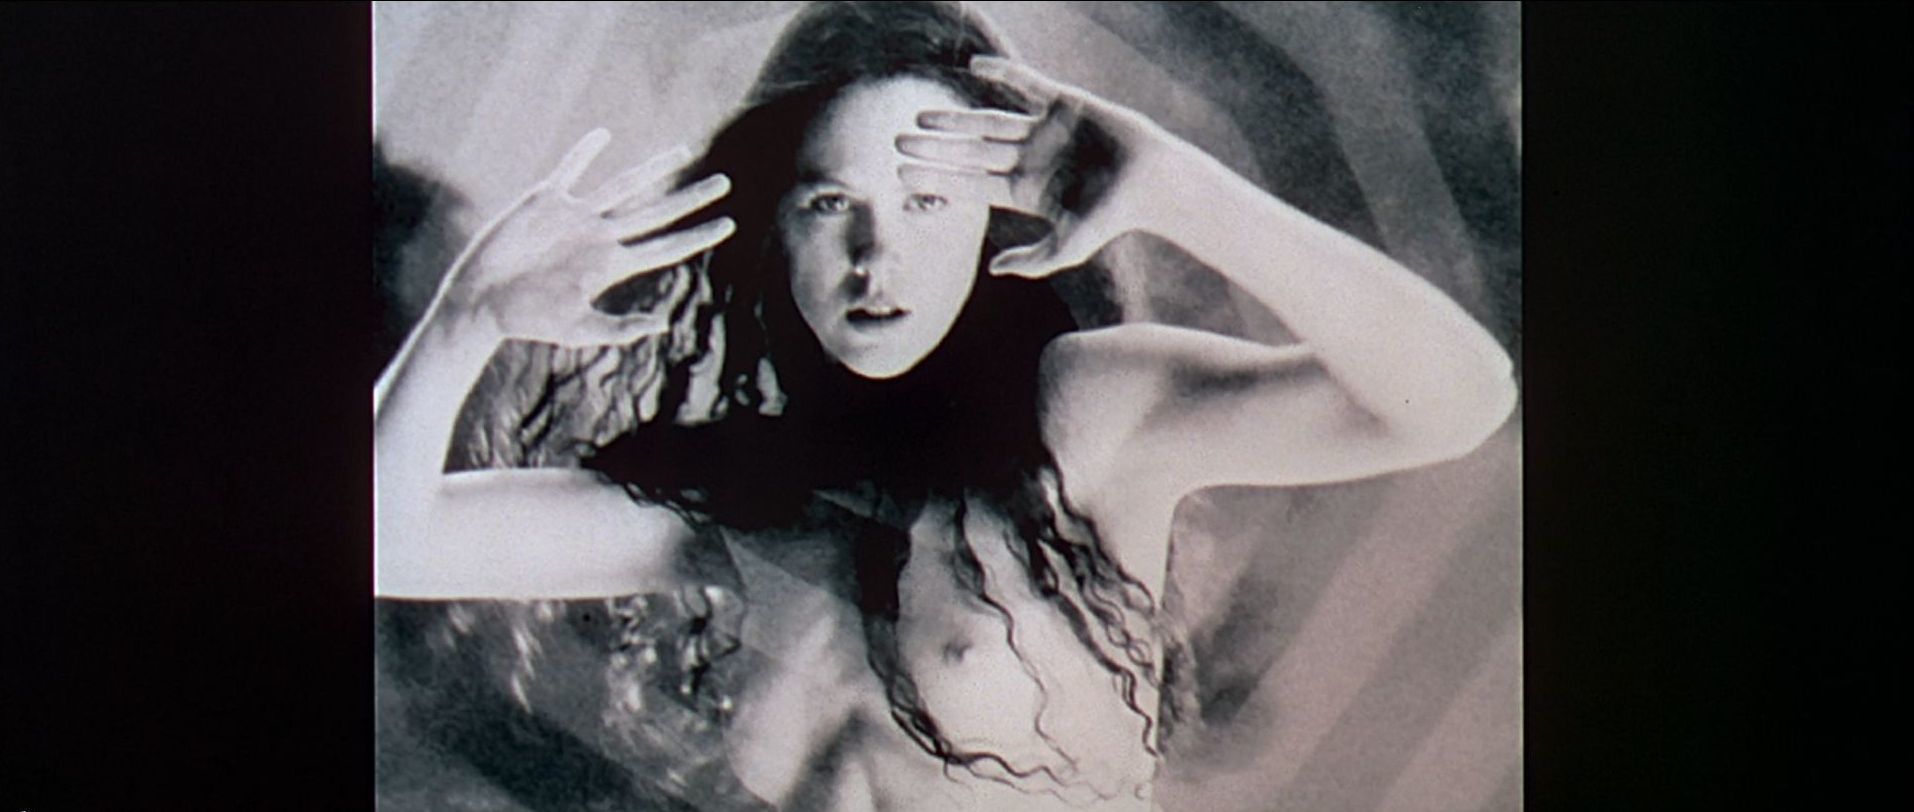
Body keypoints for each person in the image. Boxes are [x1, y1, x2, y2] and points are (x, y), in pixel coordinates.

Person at [374, 2, 1516, 809]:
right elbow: (385, 543)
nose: (878, 257)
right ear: (772, 228)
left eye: (926, 202)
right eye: (830, 204)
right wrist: (470, 315)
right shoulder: (746, 498)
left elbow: (1460, 399)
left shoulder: (1084, 415)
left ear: (988, 221)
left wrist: (1180, 190)